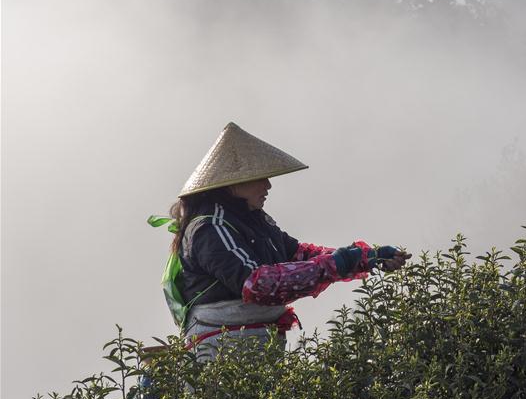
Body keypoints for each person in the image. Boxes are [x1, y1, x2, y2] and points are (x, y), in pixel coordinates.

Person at [161, 121, 410, 359]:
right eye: (260, 178)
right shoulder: (209, 228)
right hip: (220, 351)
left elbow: (299, 254)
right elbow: (257, 283)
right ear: (231, 184)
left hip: (257, 345)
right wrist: (339, 262)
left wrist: (366, 257)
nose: (268, 185)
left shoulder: (255, 219)